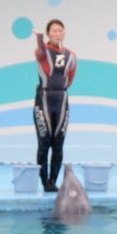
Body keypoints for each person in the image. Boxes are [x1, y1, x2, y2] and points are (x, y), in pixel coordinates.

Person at [33, 19, 77, 192]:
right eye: (54, 31)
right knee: (44, 143)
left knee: (58, 144)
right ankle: (45, 182)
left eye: (60, 30)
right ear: (49, 33)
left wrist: (60, 91)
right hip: (43, 100)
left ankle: (53, 181)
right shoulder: (42, 52)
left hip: (61, 101)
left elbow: (70, 78)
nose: (57, 33)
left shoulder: (71, 55)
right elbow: (40, 51)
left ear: (64, 32)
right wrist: (39, 38)